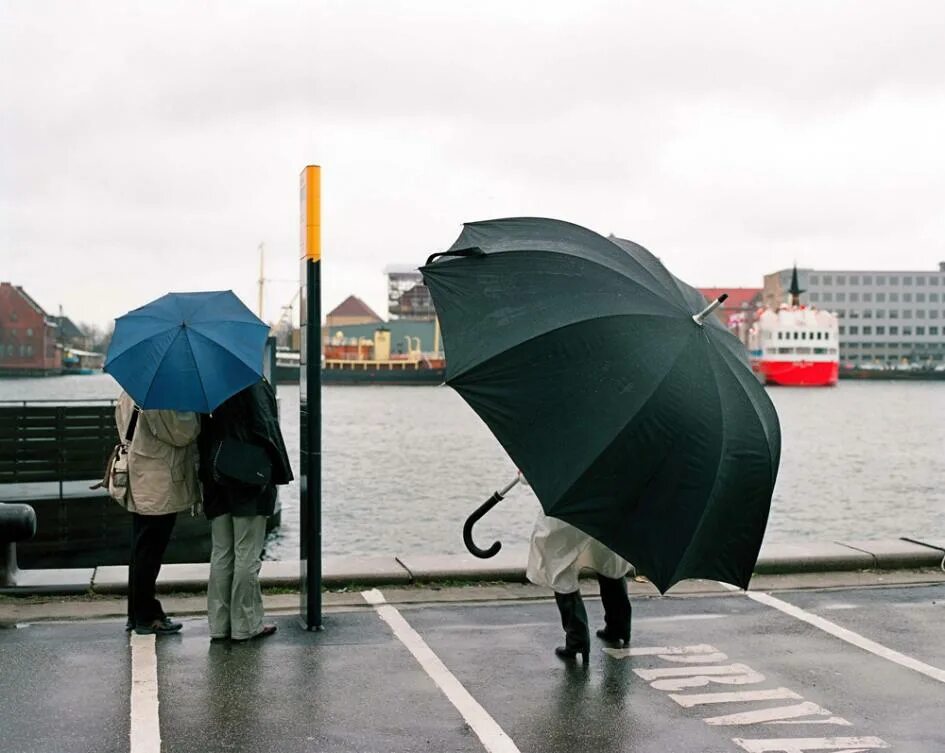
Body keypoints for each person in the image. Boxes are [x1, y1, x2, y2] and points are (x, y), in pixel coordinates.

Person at [198, 378, 292, 642]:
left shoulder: (206, 384)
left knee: (222, 553)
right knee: (247, 553)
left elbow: (201, 433)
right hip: (247, 477)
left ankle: (219, 625)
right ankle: (245, 624)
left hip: (215, 476)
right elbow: (266, 429)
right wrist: (277, 470)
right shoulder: (251, 382)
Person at [116, 391, 201, 636]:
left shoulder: (128, 393)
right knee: (150, 551)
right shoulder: (160, 397)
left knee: (140, 548)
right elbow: (181, 434)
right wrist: (195, 414)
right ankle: (147, 616)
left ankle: (135, 613)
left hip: (140, 473)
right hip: (158, 480)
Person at [527, 511, 632, 662]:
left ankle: (577, 640)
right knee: (609, 559)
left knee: (559, 566)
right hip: (608, 507)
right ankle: (618, 627)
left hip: (569, 513)